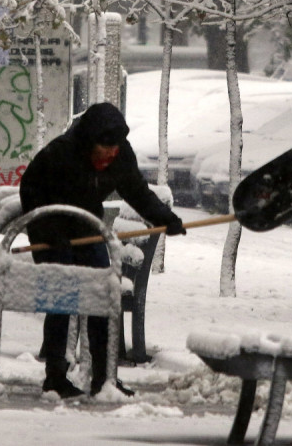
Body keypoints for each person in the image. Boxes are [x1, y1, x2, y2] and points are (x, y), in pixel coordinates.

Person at [19, 102, 186, 398]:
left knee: (102, 293)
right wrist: (50, 233)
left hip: (87, 226)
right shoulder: (61, 153)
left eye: (116, 147)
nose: (111, 153)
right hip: (50, 225)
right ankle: (55, 376)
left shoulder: (120, 154)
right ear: (88, 142)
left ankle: (104, 378)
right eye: (105, 146)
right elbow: (31, 191)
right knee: (63, 296)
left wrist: (166, 219)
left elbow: (137, 191)